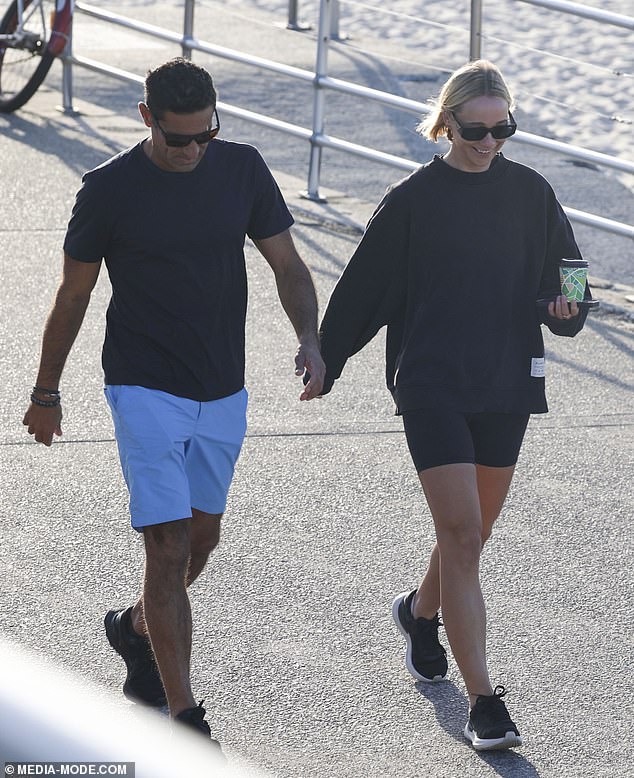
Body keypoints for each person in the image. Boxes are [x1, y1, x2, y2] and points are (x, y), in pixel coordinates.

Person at [23, 57, 325, 745]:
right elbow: (73, 295)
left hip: (221, 384)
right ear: (146, 119)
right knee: (169, 544)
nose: (192, 151)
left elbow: (288, 265)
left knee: (203, 538)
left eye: (204, 137)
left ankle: (134, 629)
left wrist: (310, 337)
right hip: (142, 382)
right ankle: (183, 716)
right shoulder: (108, 189)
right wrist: (46, 390)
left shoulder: (242, 168)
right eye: (178, 138)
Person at [316, 60, 592, 751]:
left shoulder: (532, 192)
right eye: (477, 129)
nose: (491, 141)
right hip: (432, 382)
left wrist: (566, 310)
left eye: (504, 129)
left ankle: (418, 612)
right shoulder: (414, 198)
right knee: (463, 536)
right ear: (446, 123)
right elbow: (364, 288)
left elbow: (572, 283)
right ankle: (485, 702)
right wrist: (327, 355)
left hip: (505, 381)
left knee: (472, 534)